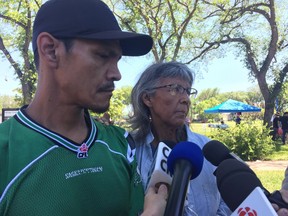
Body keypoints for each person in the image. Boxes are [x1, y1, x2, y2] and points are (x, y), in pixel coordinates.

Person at [0, 0, 168, 215]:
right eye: (102, 55)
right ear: (50, 50)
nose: (116, 74)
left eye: (117, 60)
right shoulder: (6, 152)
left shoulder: (120, 143)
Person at [129, 61, 231, 215]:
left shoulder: (208, 148)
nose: (186, 99)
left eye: (187, 91)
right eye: (175, 89)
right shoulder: (128, 150)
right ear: (148, 98)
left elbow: (227, 201)